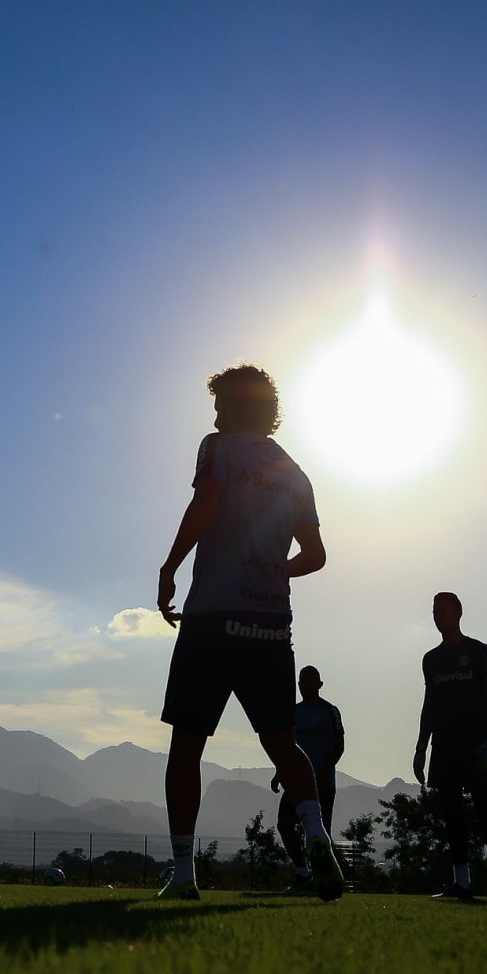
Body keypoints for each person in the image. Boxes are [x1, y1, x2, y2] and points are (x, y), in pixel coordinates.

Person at [155, 364, 342, 902]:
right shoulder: (295, 472)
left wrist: (170, 566)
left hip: (214, 617)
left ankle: (185, 873)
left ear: (237, 407)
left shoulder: (218, 447)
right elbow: (316, 555)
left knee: (186, 745)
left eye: (220, 404)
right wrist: (275, 570)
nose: (214, 415)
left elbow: (206, 501)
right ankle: (317, 837)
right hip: (271, 626)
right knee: (283, 744)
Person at [411, 592, 487, 901]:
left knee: (485, 811)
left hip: (477, 744)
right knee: (452, 814)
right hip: (444, 745)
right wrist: (420, 747)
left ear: (458, 613)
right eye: (434, 611)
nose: (438, 616)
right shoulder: (431, 659)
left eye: (443, 610)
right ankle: (462, 883)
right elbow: (429, 705)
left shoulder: (480, 651)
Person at [270, 665, 345, 896]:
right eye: (303, 681)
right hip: (295, 781)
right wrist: (279, 772)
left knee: (320, 834)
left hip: (323, 784)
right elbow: (285, 747)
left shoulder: (330, 711)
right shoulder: (292, 712)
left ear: (320, 684)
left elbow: (339, 747)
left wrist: (322, 772)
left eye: (311, 681)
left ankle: (325, 880)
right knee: (284, 825)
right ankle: (303, 874)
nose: (307, 686)